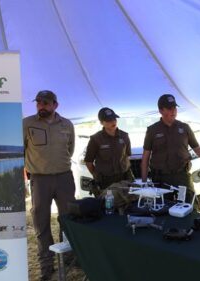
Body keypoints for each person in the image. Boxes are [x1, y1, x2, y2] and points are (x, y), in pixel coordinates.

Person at [23, 90, 76, 281]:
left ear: (55, 105)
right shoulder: (27, 123)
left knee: (68, 219)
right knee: (41, 223)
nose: (41, 106)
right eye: (38, 103)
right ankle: (46, 265)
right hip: (39, 180)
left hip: (64, 178)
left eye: (45, 103)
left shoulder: (67, 124)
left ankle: (70, 258)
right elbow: (21, 150)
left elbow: (70, 149)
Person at [141, 94, 200, 205]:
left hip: (181, 178)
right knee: (162, 209)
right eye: (169, 108)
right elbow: (145, 159)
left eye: (174, 108)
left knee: (186, 207)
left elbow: (196, 148)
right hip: (160, 180)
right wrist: (144, 183)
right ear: (161, 111)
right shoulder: (152, 130)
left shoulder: (185, 128)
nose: (173, 111)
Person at [84, 107, 134, 192]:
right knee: (108, 204)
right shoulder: (95, 139)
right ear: (101, 122)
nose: (113, 122)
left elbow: (127, 155)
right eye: (108, 120)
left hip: (124, 178)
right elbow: (89, 162)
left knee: (128, 203)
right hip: (106, 181)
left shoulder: (124, 136)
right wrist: (97, 176)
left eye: (114, 119)